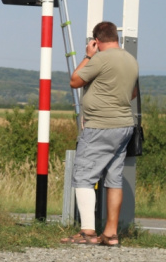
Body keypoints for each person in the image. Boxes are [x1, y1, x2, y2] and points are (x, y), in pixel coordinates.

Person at [61, 21, 138, 247]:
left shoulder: (100, 59)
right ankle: (111, 234)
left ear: (97, 40)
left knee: (84, 177)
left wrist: (89, 56)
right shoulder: (130, 60)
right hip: (124, 126)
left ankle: (87, 232)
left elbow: (75, 81)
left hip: (100, 127)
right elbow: (132, 92)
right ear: (116, 37)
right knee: (114, 180)